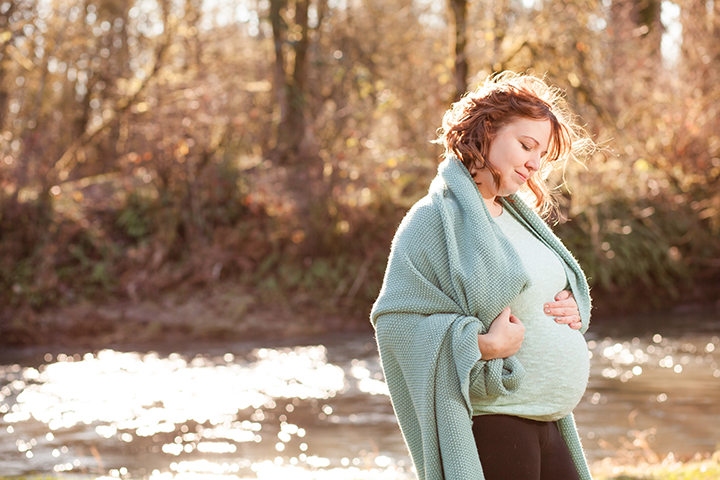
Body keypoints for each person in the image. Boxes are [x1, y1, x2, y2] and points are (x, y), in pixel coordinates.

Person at [370, 72, 596, 480]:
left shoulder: (518, 215)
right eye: (526, 145)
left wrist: (572, 306)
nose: (534, 162)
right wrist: (479, 346)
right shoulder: (434, 220)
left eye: (541, 153)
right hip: (496, 423)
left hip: (550, 421)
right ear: (487, 131)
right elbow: (395, 323)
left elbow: (546, 288)